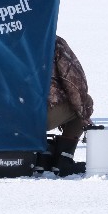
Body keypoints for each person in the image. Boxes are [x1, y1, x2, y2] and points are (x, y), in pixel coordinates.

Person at [44, 35, 94, 176]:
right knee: (84, 102)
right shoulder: (52, 41)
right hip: (38, 115)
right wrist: (84, 115)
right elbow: (75, 84)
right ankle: (63, 161)